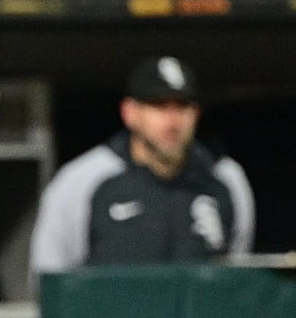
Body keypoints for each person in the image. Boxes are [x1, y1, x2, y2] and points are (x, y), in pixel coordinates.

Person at [28, 56, 255, 295]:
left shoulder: (225, 178)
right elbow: (49, 283)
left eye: (182, 106)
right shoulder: (83, 180)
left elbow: (237, 277)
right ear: (130, 113)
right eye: (159, 106)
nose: (172, 121)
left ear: (196, 113)